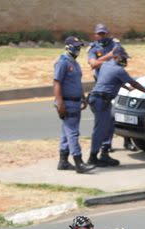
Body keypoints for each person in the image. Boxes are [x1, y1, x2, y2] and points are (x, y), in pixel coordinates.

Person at [87, 47, 145, 168]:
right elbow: (134, 83)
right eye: (123, 58)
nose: (125, 61)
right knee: (100, 128)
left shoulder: (106, 65)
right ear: (115, 57)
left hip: (100, 99)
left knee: (111, 121)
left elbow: (113, 80)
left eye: (125, 59)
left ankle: (105, 153)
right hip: (100, 100)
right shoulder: (119, 70)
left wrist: (126, 88)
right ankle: (92, 158)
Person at [54, 36, 95, 174]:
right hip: (67, 102)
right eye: (76, 46)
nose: (78, 48)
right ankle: (79, 163)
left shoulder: (75, 63)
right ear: (68, 46)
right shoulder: (63, 62)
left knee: (67, 132)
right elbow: (57, 82)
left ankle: (63, 161)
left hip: (75, 101)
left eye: (79, 46)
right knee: (73, 132)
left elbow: (76, 83)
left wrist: (82, 98)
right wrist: (60, 103)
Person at [87, 24, 124, 160]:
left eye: (104, 33)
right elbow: (93, 64)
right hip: (100, 86)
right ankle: (101, 150)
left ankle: (107, 148)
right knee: (103, 120)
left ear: (108, 33)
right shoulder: (93, 48)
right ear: (95, 35)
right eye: (99, 34)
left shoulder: (115, 44)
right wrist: (109, 56)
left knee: (114, 116)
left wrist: (101, 61)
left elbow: (121, 59)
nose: (101, 36)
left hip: (114, 84)